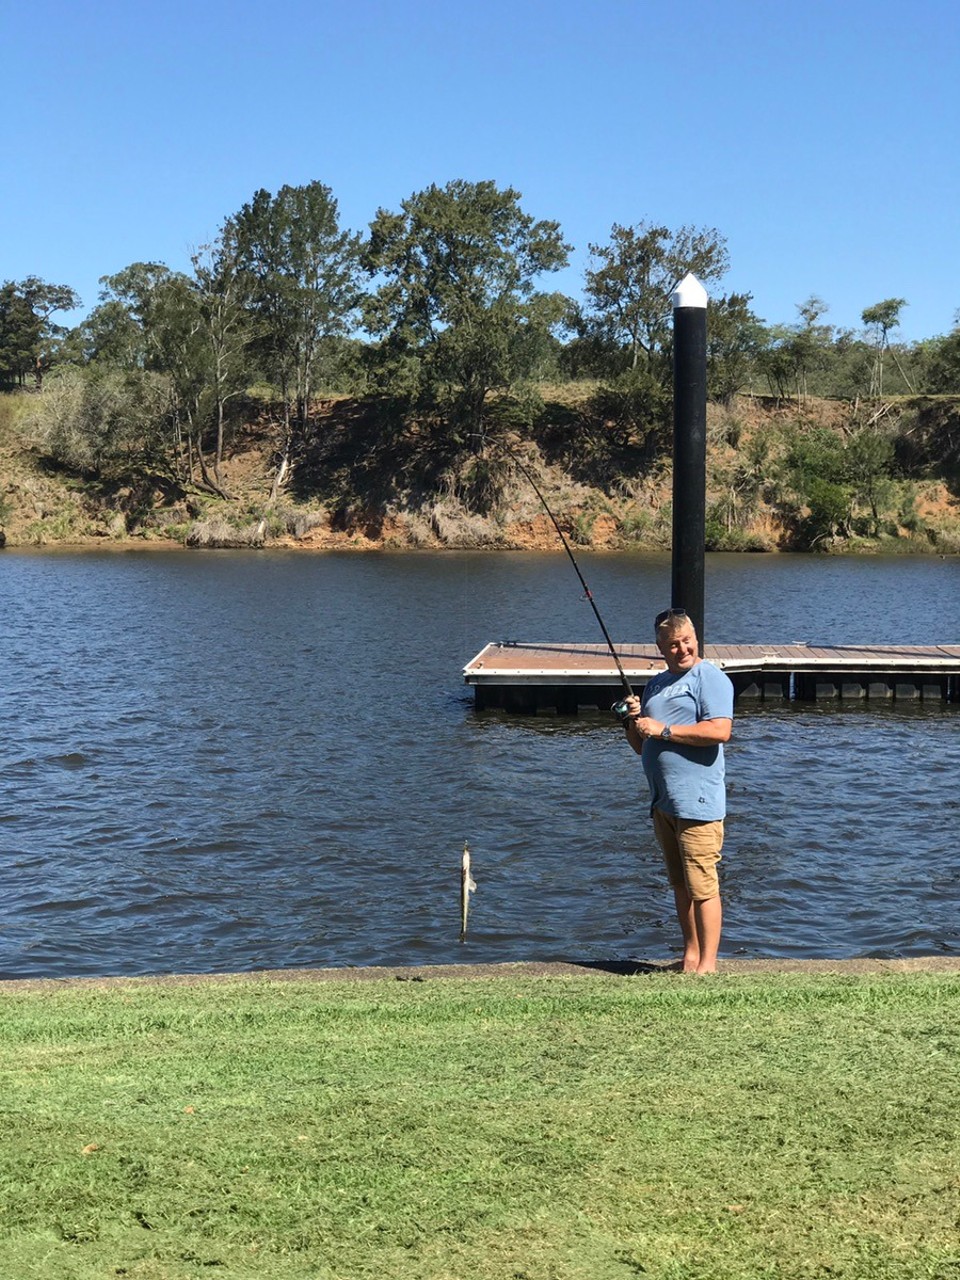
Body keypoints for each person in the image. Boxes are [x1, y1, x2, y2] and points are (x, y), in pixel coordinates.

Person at [623, 608, 734, 975]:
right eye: (673, 644)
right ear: (660, 648)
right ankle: (689, 955)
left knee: (703, 885)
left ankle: (708, 965)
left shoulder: (710, 679)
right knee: (680, 884)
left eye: (687, 641)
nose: (681, 649)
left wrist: (664, 730)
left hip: (697, 802)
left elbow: (719, 731)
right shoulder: (655, 684)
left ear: (696, 639)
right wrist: (631, 721)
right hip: (663, 802)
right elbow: (642, 745)